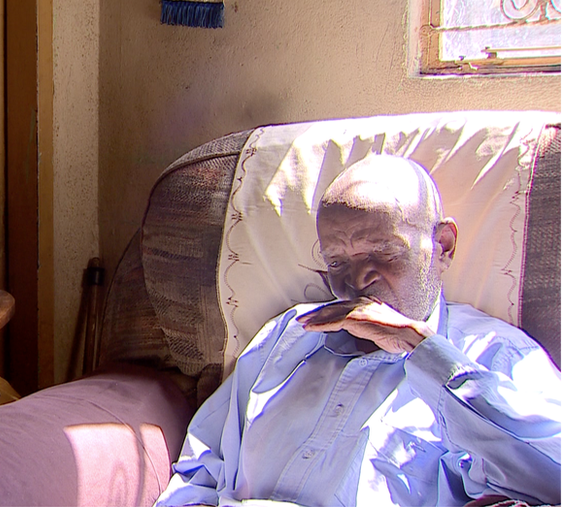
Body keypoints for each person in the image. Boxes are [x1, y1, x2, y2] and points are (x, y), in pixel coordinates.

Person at [155, 155, 562, 507]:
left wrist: (418, 347)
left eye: (383, 253)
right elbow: (199, 468)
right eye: (336, 263)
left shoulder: (496, 354)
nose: (357, 279)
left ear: (443, 246)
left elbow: (553, 472)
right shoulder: (290, 332)